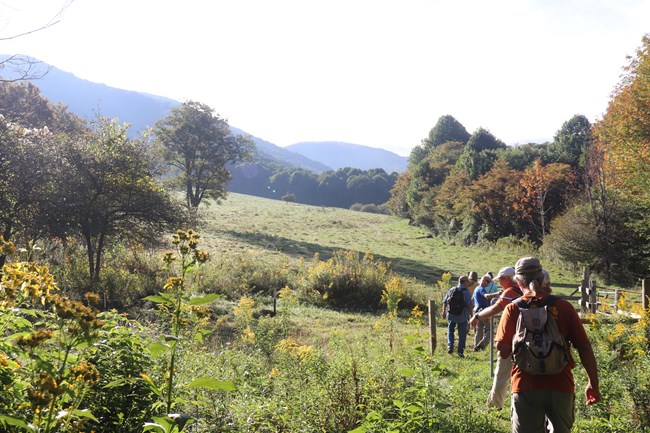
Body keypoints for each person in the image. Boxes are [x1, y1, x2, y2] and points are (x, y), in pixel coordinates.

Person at [495, 257, 600, 433]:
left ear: (518, 281)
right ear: (542, 278)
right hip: (561, 384)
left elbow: (503, 350)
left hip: (525, 384)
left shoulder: (513, 309)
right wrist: (593, 384)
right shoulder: (563, 307)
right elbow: (584, 346)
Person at [469, 265, 521, 408]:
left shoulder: (510, 292)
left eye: (500, 280)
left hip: (510, 340)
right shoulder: (525, 291)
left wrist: (476, 316)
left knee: (502, 375)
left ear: (507, 279)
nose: (499, 283)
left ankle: (494, 405)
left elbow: (495, 308)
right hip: (524, 339)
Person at [441, 275, 473, 358]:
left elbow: (445, 301)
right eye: (468, 282)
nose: (468, 283)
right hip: (462, 316)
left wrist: (443, 311)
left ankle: (450, 346)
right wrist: (472, 316)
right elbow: (469, 305)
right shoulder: (466, 292)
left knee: (450, 331)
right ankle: (460, 352)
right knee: (462, 334)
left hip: (451, 314)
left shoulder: (452, 289)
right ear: (465, 282)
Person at [471, 274, 500, 351]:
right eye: (488, 281)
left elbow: (472, 300)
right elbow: (486, 296)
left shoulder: (476, 289)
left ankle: (476, 347)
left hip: (476, 311)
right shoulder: (481, 289)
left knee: (479, 330)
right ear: (483, 281)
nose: (489, 283)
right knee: (490, 330)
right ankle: (482, 345)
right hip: (482, 311)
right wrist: (496, 294)